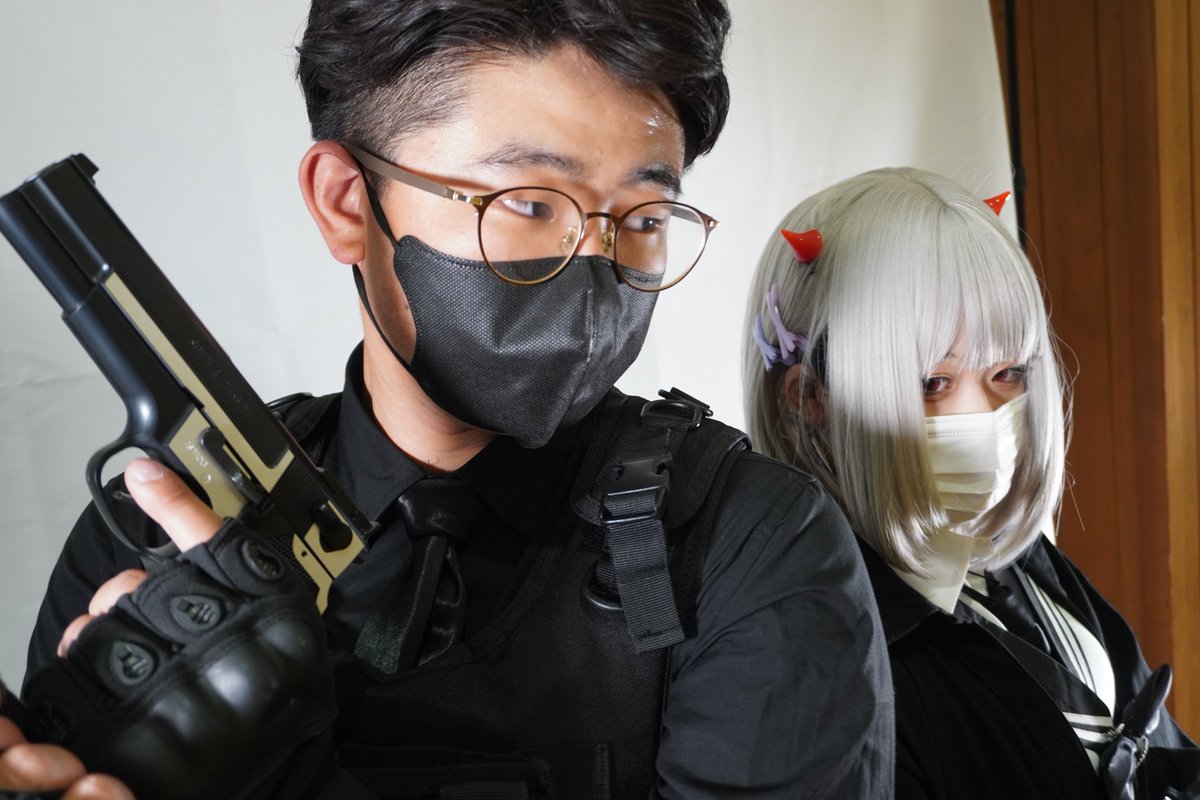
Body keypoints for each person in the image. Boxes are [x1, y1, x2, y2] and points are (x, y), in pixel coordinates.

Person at [0, 2, 895, 798]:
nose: (596, 266)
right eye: (531, 204)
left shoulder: (755, 543)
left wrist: (282, 774)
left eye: (644, 219)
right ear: (347, 203)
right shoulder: (154, 527)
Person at [743, 166, 1200, 799]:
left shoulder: (1015, 560)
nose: (984, 416)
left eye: (1008, 373)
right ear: (812, 398)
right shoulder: (817, 659)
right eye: (934, 383)